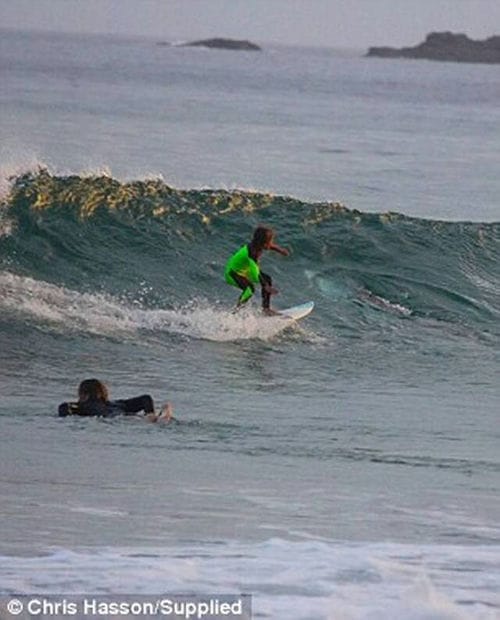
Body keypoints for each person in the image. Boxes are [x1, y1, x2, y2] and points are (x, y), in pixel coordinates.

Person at [224, 225, 289, 314]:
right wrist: (265, 286)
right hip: (232, 273)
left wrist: (280, 250)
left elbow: (269, 246)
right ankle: (235, 313)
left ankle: (265, 309)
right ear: (263, 243)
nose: (271, 243)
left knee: (267, 279)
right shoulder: (252, 252)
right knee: (250, 289)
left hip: (244, 271)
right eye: (270, 241)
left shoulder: (257, 245)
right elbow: (255, 271)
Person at [58, 378, 173, 422]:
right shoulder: (118, 403)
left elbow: (63, 408)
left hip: (116, 418)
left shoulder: (84, 407)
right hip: (125, 414)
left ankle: (153, 419)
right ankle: (154, 416)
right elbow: (146, 398)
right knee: (147, 419)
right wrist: (150, 413)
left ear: (84, 395)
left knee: (135, 421)